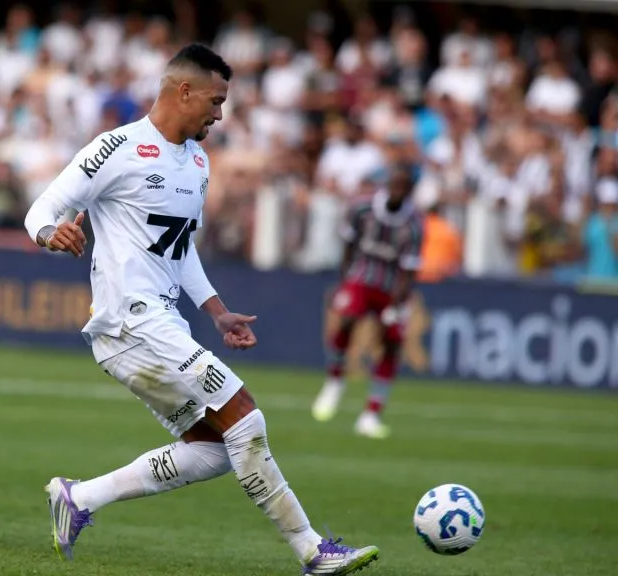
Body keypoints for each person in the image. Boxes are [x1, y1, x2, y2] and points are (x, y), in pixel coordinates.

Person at [23, 43, 379, 575]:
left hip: (158, 323)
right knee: (245, 417)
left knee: (213, 450)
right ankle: (311, 549)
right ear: (182, 91)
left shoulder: (196, 160)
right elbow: (41, 209)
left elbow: (181, 249)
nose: (220, 113)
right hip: (129, 321)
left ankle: (80, 498)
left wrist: (216, 310)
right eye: (215, 100)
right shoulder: (116, 148)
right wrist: (53, 233)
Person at [312, 163, 424, 439]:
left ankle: (371, 413)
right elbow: (349, 246)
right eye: (394, 184)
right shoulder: (362, 208)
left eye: (403, 187)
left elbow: (409, 270)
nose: (397, 190)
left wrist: (397, 306)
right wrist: (343, 282)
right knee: (346, 320)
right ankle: (335, 381)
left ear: (410, 191)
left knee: (393, 341)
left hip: (390, 287)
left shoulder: (414, 225)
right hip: (360, 277)